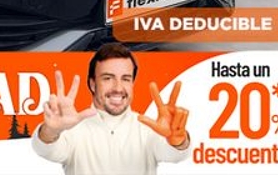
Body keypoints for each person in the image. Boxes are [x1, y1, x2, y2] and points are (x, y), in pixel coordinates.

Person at [32, 43, 190, 175]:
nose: (118, 88)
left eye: (126, 79)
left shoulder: (148, 128)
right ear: (93, 84)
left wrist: (178, 141)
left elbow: (175, 155)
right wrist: (51, 131)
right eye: (108, 78)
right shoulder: (73, 129)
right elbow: (46, 150)